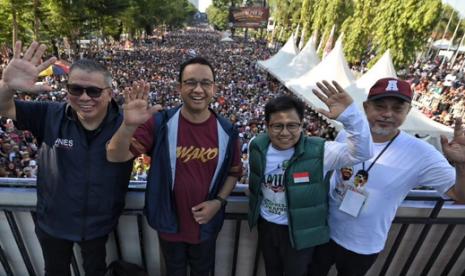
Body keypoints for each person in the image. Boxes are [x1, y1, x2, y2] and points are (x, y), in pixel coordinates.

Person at [0, 41, 134, 276]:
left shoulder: (127, 123)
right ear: (67, 89)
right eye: (75, 89)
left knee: (95, 270)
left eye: (93, 91)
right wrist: (7, 86)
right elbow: (4, 106)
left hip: (99, 225)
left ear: (110, 93)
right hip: (52, 224)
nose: (84, 97)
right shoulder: (50, 114)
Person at [311, 77, 465, 276]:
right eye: (380, 106)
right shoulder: (346, 135)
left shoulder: (423, 154)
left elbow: (460, 196)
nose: (387, 114)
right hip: (325, 232)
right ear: (366, 107)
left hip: (364, 246)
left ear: (408, 111)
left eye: (397, 109)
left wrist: (462, 165)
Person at [106, 56, 242, 275]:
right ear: (179, 87)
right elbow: (115, 155)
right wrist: (128, 126)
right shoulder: (160, 124)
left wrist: (218, 202)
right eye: (190, 82)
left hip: (205, 226)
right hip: (168, 223)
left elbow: (234, 173)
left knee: (203, 271)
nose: (198, 89)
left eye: (205, 83)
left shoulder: (227, 131)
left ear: (214, 88)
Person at [247, 81, 374, 276]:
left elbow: (363, 153)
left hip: (301, 232)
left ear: (302, 125)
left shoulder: (321, 151)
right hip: (267, 226)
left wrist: (351, 117)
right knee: (272, 271)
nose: (284, 133)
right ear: (266, 126)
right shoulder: (257, 145)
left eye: (292, 126)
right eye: (277, 126)